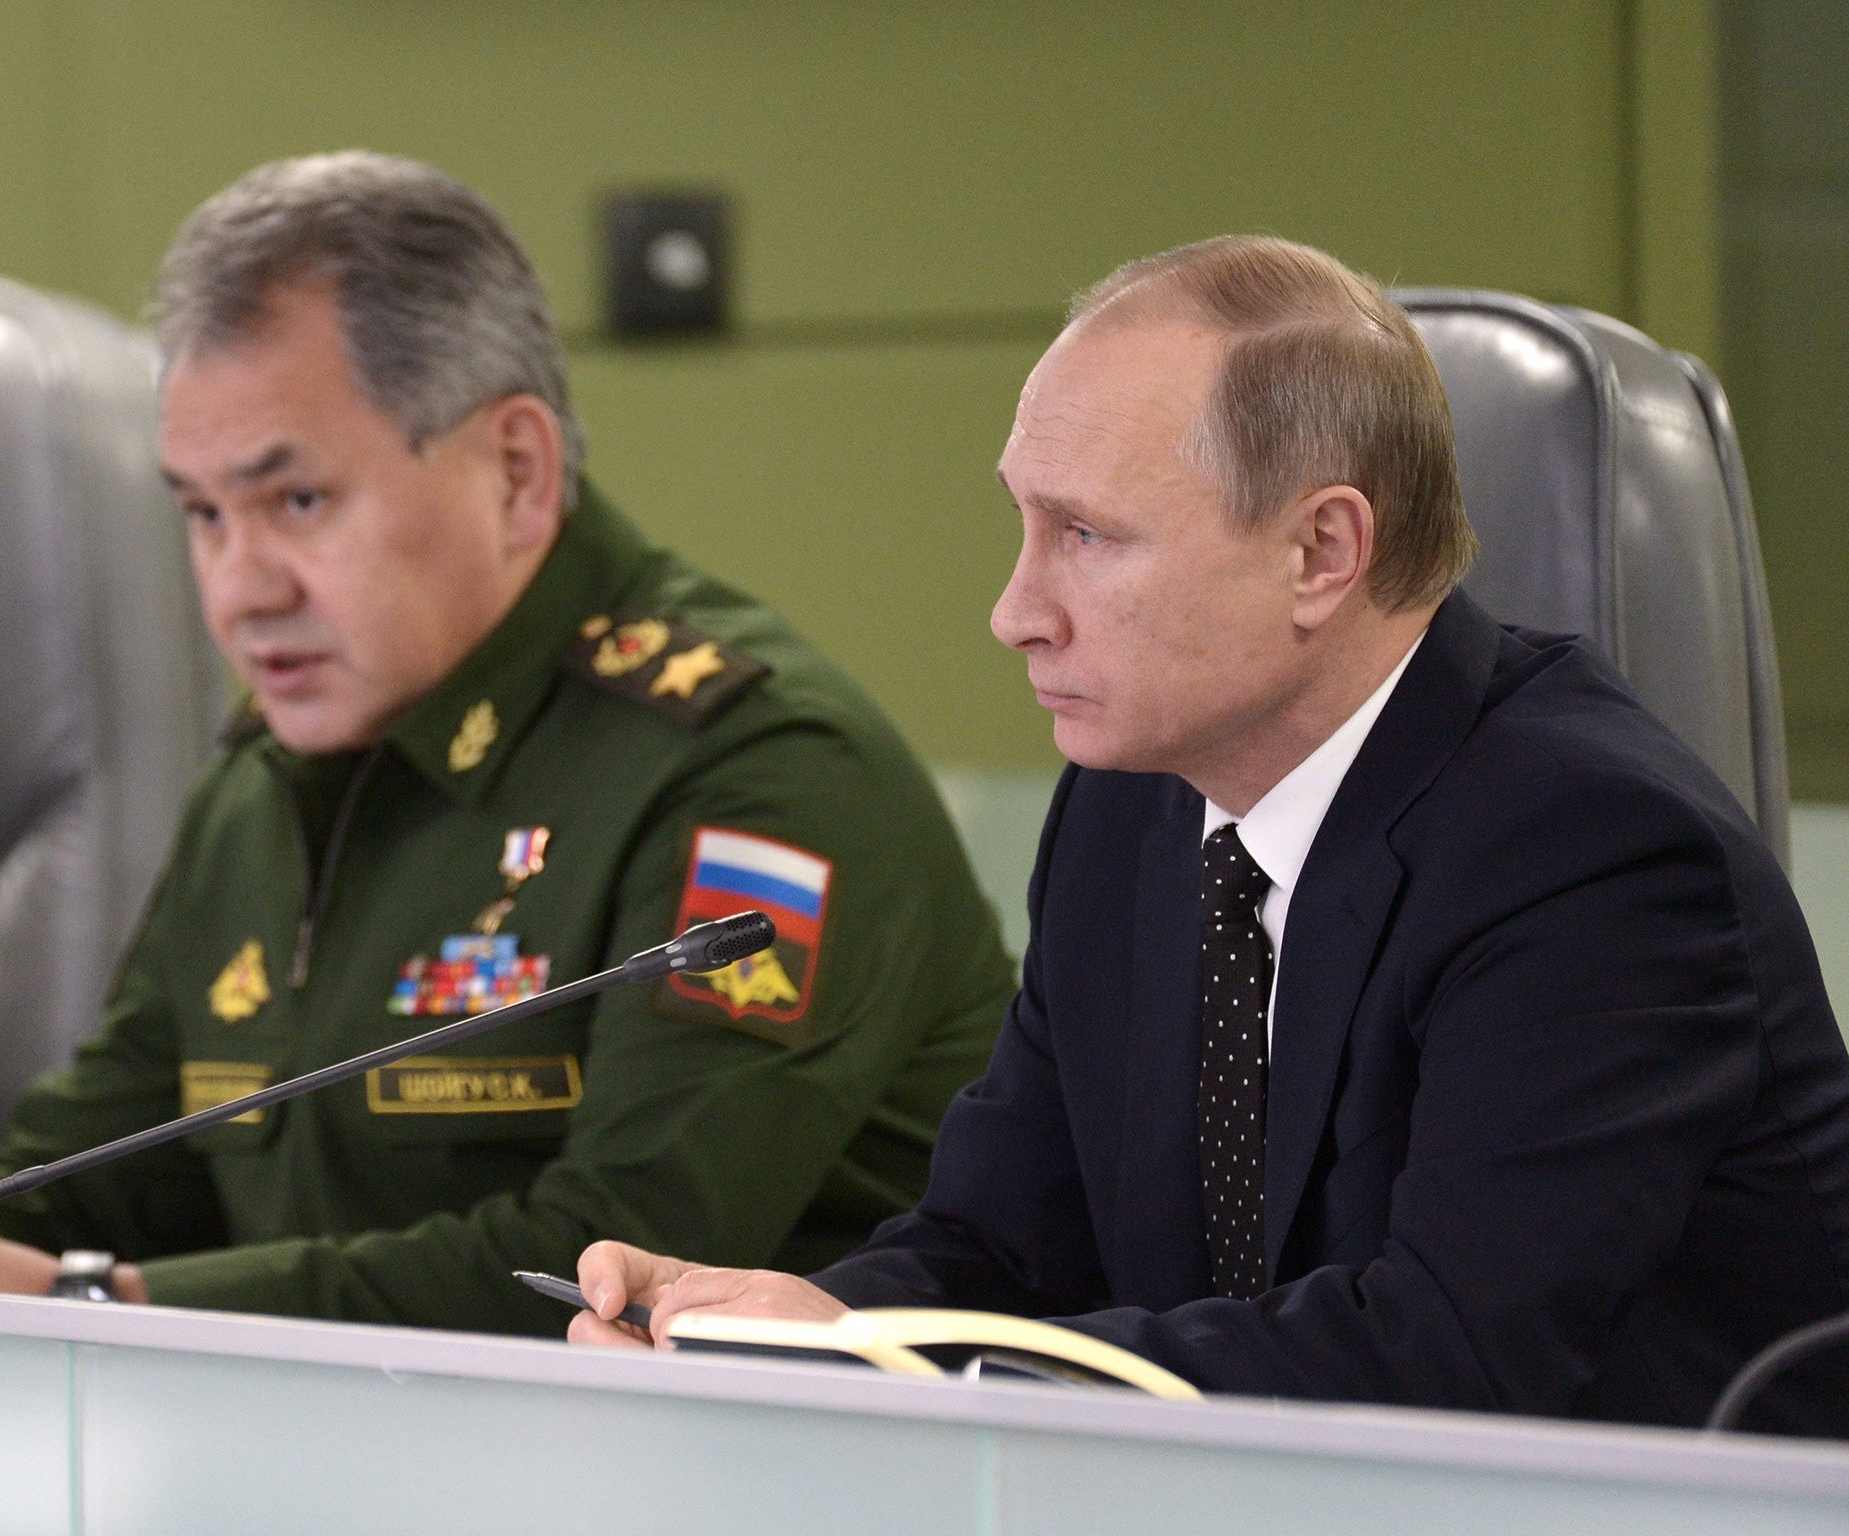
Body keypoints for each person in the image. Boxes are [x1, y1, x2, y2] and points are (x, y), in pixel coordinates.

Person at [571, 236, 1849, 1433]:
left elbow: (1443, 1357)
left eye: (1085, 535)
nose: (1015, 610)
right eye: (1023, 524)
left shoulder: (1591, 854)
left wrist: (932, 1369)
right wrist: (802, 1334)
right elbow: (1002, 1242)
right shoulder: (1134, 803)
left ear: (1320, 551)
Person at [0, 152, 1014, 1333]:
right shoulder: (263, 780)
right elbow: (83, 1163)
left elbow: (615, 1262)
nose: (238, 588)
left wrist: (98, 1302)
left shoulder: (754, 774)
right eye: (201, 513)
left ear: (517, 471)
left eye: (298, 502)